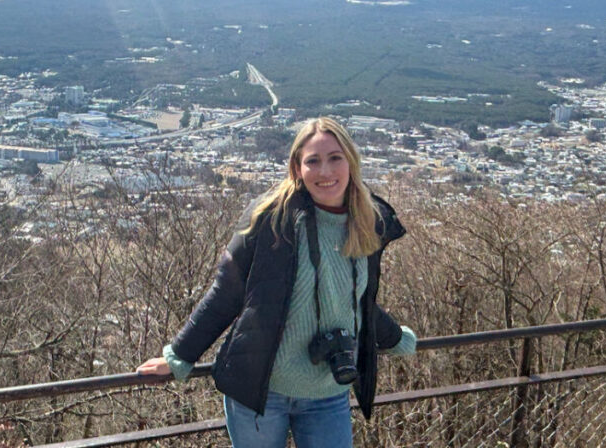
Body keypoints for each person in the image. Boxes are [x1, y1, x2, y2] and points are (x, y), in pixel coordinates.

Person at [136, 116, 416, 448]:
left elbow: (354, 299)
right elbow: (227, 292)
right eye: (313, 161)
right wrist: (179, 356)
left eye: (335, 158)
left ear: (351, 162)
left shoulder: (368, 222)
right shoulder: (272, 218)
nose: (325, 171)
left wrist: (395, 337)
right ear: (298, 168)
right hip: (260, 390)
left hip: (328, 392)